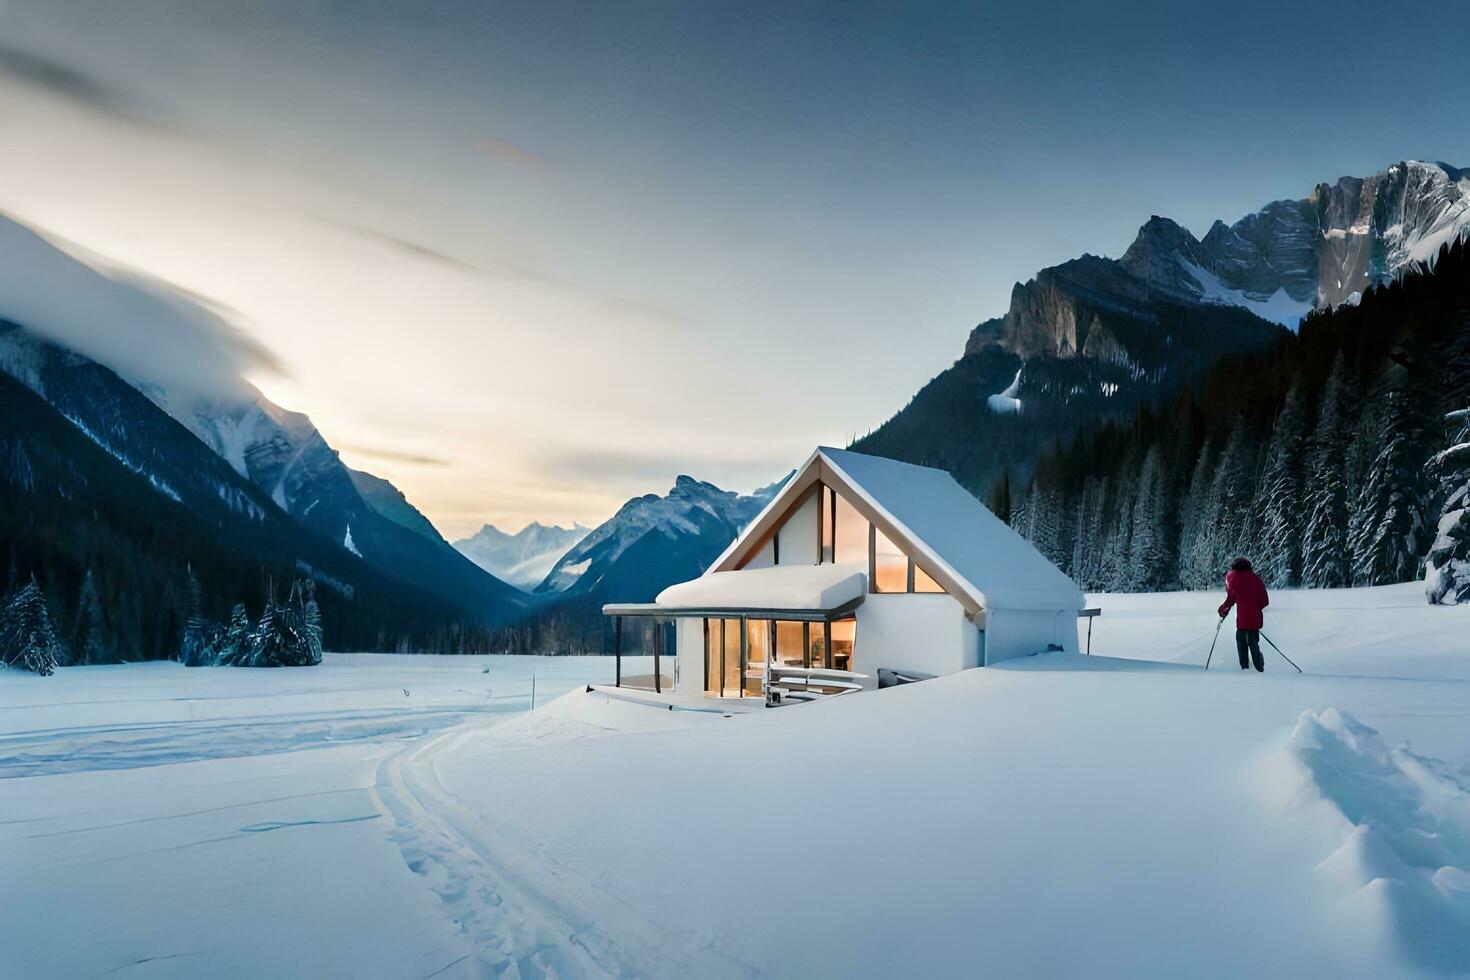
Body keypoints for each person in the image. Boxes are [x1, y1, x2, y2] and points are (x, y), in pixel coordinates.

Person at [1218, 556, 1269, 672]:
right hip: (1254, 622)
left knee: (1242, 650)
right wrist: (1254, 607)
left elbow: (1230, 600)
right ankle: (1260, 669)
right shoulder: (1256, 580)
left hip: (1241, 624)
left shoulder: (1234, 580)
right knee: (1254, 648)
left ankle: (1244, 670)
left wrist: (1222, 611)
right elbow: (1265, 601)